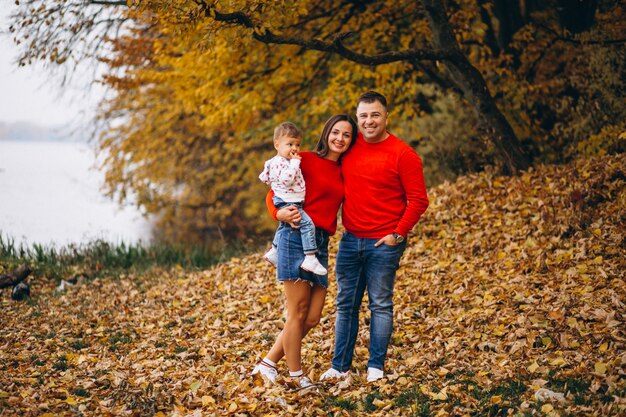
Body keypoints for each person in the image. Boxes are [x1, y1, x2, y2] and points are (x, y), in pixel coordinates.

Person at [319, 91, 429, 383]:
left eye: (375, 115)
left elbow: (419, 199)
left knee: (380, 304)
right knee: (346, 305)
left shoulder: (403, 154)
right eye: (364, 116)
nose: (369, 121)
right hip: (351, 239)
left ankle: (375, 367)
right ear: (358, 119)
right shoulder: (349, 148)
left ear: (386, 117)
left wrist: (397, 234)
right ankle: (340, 366)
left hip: (385, 243)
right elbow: (323, 174)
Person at [252, 115, 358, 390]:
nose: (340, 139)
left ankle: (267, 364)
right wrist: (278, 212)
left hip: (320, 243)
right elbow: (274, 189)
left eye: (346, 135)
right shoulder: (305, 158)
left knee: (311, 317)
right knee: (297, 312)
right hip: (295, 236)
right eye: (335, 132)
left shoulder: (346, 168)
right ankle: (297, 376)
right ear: (326, 133)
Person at [259, 122, 328, 276]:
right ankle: (310, 257)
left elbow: (266, 176)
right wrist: (295, 163)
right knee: (307, 224)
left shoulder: (283, 161)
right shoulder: (284, 163)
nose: (295, 148)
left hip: (290, 200)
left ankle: (274, 251)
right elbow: (287, 179)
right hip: (288, 202)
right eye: (289, 144)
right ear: (277, 144)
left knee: (283, 226)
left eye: (297, 144)